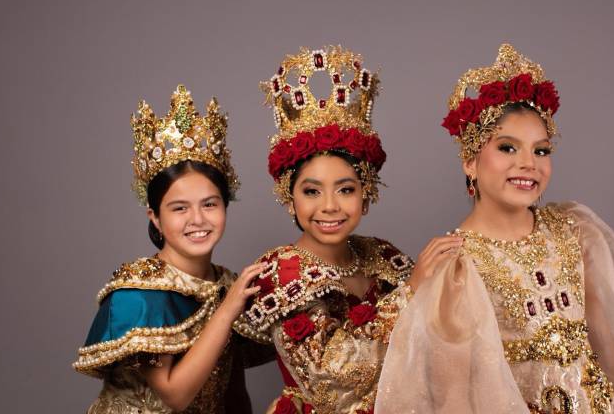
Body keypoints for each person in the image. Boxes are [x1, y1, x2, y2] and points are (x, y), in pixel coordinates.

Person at [376, 44, 614, 413]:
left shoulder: (575, 230)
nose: (528, 164)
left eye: (540, 151)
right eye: (507, 148)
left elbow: (613, 348)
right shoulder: (456, 265)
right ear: (471, 162)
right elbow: (454, 397)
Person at [234, 46, 443, 414]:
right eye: (312, 191)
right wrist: (411, 292)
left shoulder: (382, 255)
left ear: (366, 196)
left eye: (345, 189)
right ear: (290, 198)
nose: (329, 205)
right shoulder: (281, 273)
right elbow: (333, 379)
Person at [74, 85, 274, 413]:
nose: (197, 219)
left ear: (226, 205)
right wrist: (227, 310)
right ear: (155, 217)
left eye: (210, 204)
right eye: (179, 208)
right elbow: (174, 395)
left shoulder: (225, 285)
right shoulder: (139, 295)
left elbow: (234, 391)